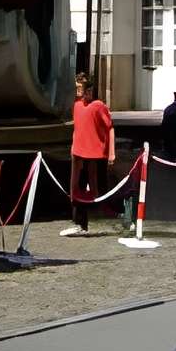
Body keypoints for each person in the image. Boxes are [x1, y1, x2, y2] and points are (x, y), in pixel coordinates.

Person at [61, 72, 116, 237]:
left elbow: (110, 128)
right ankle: (79, 223)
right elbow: (78, 128)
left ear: (89, 90)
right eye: (77, 88)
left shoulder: (99, 106)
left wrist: (111, 153)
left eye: (81, 88)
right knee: (77, 189)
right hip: (78, 154)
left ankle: (114, 215)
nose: (78, 91)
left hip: (95, 156)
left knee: (97, 188)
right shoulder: (77, 105)